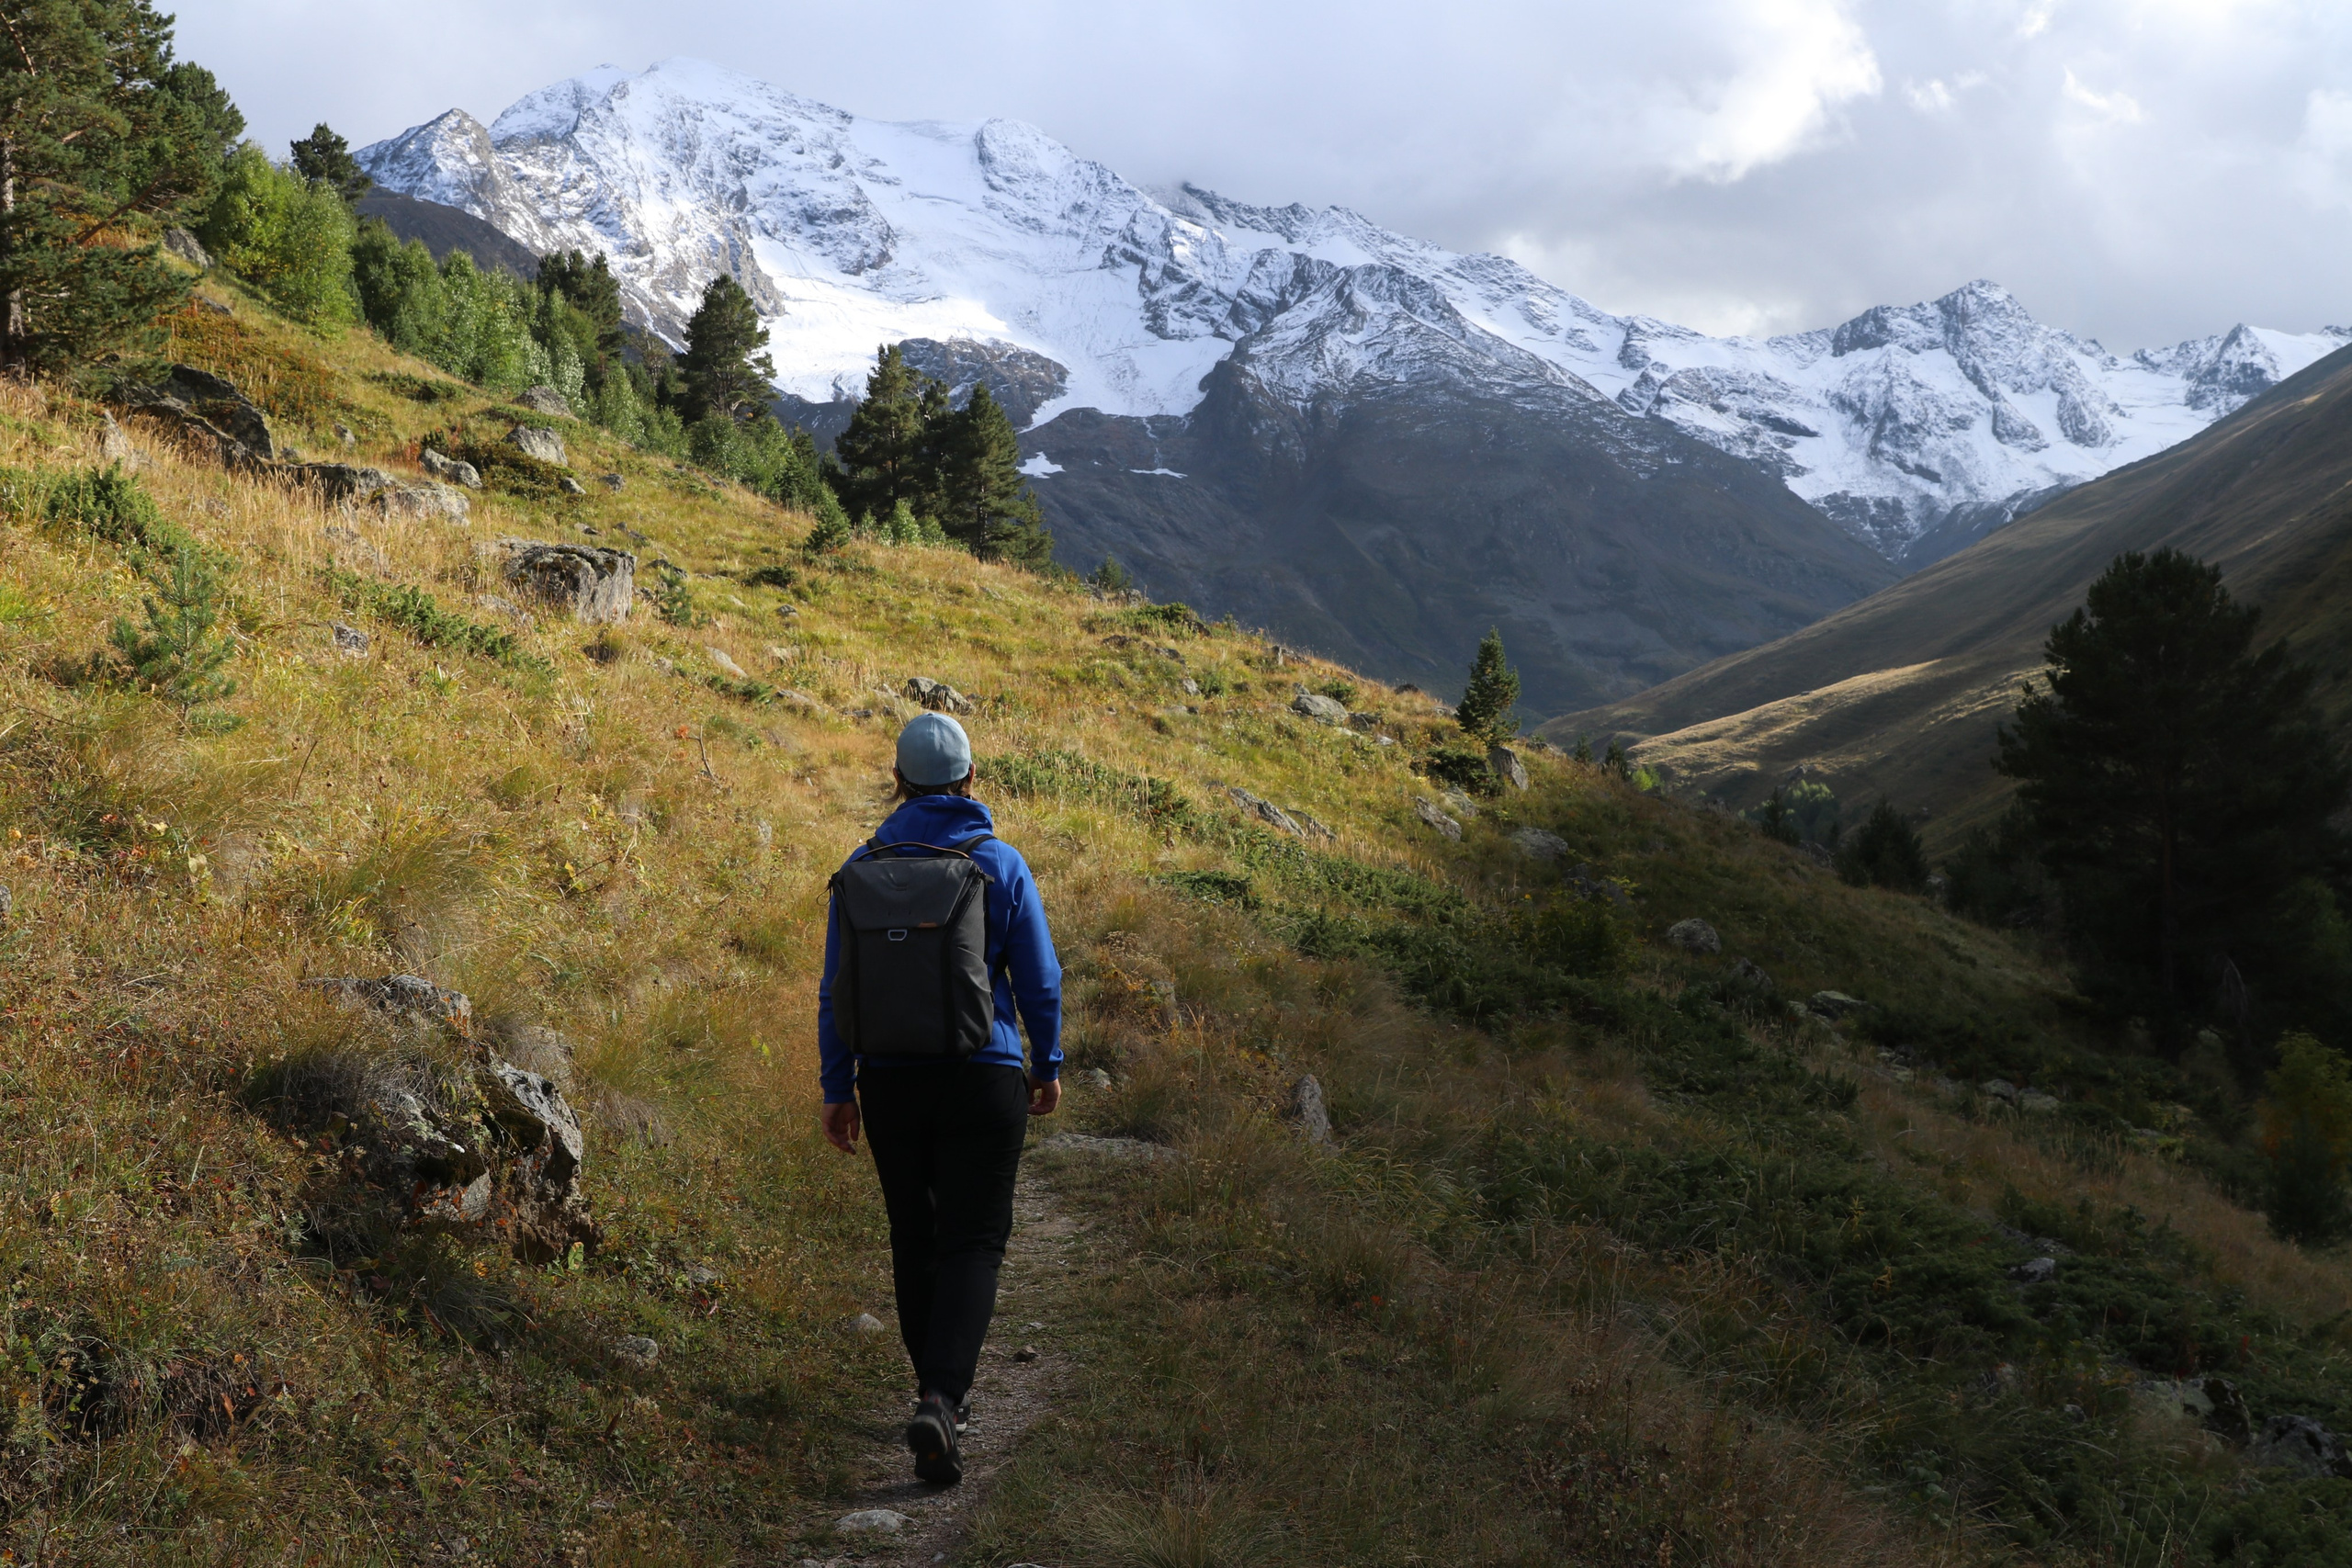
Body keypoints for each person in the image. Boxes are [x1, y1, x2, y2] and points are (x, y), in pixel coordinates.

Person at [818, 712, 1063, 1486]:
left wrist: (838, 1086)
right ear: (971, 780)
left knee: (913, 1234)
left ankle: (936, 1394)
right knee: (973, 1240)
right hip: (982, 1071)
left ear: (897, 780)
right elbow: (1041, 980)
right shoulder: (1000, 862)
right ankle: (943, 1397)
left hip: (888, 1080)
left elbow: (835, 993)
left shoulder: (861, 865)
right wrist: (1045, 1063)